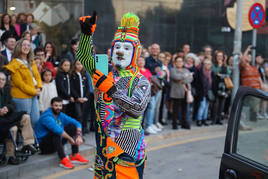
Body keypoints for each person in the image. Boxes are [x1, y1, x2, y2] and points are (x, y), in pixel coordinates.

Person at [77, 12, 150, 178]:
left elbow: (137, 109)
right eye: (117, 47)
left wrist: (111, 90)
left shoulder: (141, 80)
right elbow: (84, 57)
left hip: (127, 147)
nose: (120, 52)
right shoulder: (105, 70)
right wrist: (86, 36)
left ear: (136, 53)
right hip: (103, 145)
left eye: (126, 48)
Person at [35, 97, 88, 169]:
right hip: (44, 146)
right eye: (56, 105)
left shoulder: (60, 115)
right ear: (51, 106)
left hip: (56, 142)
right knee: (56, 132)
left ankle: (75, 155)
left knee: (72, 127)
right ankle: (63, 159)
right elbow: (58, 130)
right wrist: (70, 139)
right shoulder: (46, 116)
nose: (58, 108)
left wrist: (79, 136)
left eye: (60, 106)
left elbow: (77, 123)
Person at [4, 38, 42, 129]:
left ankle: (31, 141)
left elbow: (37, 76)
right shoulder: (14, 64)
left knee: (35, 120)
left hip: (33, 94)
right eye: (24, 45)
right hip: (21, 96)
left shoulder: (31, 62)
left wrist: (39, 87)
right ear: (18, 47)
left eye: (28, 45)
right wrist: (34, 91)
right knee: (24, 121)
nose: (26, 47)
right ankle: (22, 142)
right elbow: (20, 84)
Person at [0, 72, 37, 165]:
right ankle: (10, 155)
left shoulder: (6, 90)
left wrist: (7, 108)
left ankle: (28, 144)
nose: (1, 81)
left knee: (26, 117)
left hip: (6, 117)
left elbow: (12, 104)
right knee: (13, 129)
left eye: (3, 79)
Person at [170, 56, 193, 129]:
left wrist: (182, 79)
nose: (179, 63)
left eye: (181, 61)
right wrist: (184, 76)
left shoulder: (186, 70)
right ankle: (174, 124)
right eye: (178, 61)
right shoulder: (173, 70)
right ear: (175, 62)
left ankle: (184, 123)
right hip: (176, 92)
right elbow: (175, 77)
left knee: (185, 110)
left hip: (185, 92)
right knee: (175, 110)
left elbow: (190, 78)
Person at [70, 60, 90, 134]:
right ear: (74, 65)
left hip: (84, 99)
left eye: (81, 64)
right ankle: (77, 132)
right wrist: (77, 97)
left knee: (84, 115)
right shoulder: (72, 75)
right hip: (77, 99)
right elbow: (72, 88)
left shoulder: (84, 75)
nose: (79, 66)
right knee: (78, 115)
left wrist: (86, 97)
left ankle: (82, 130)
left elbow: (88, 87)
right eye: (77, 64)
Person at [195, 59, 216, 126]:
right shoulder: (200, 72)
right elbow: (197, 82)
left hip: (209, 92)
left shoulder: (212, 72)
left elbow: (213, 83)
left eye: (209, 64)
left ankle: (204, 120)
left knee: (207, 106)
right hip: (202, 92)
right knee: (202, 106)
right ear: (203, 64)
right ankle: (199, 120)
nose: (207, 65)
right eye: (206, 64)